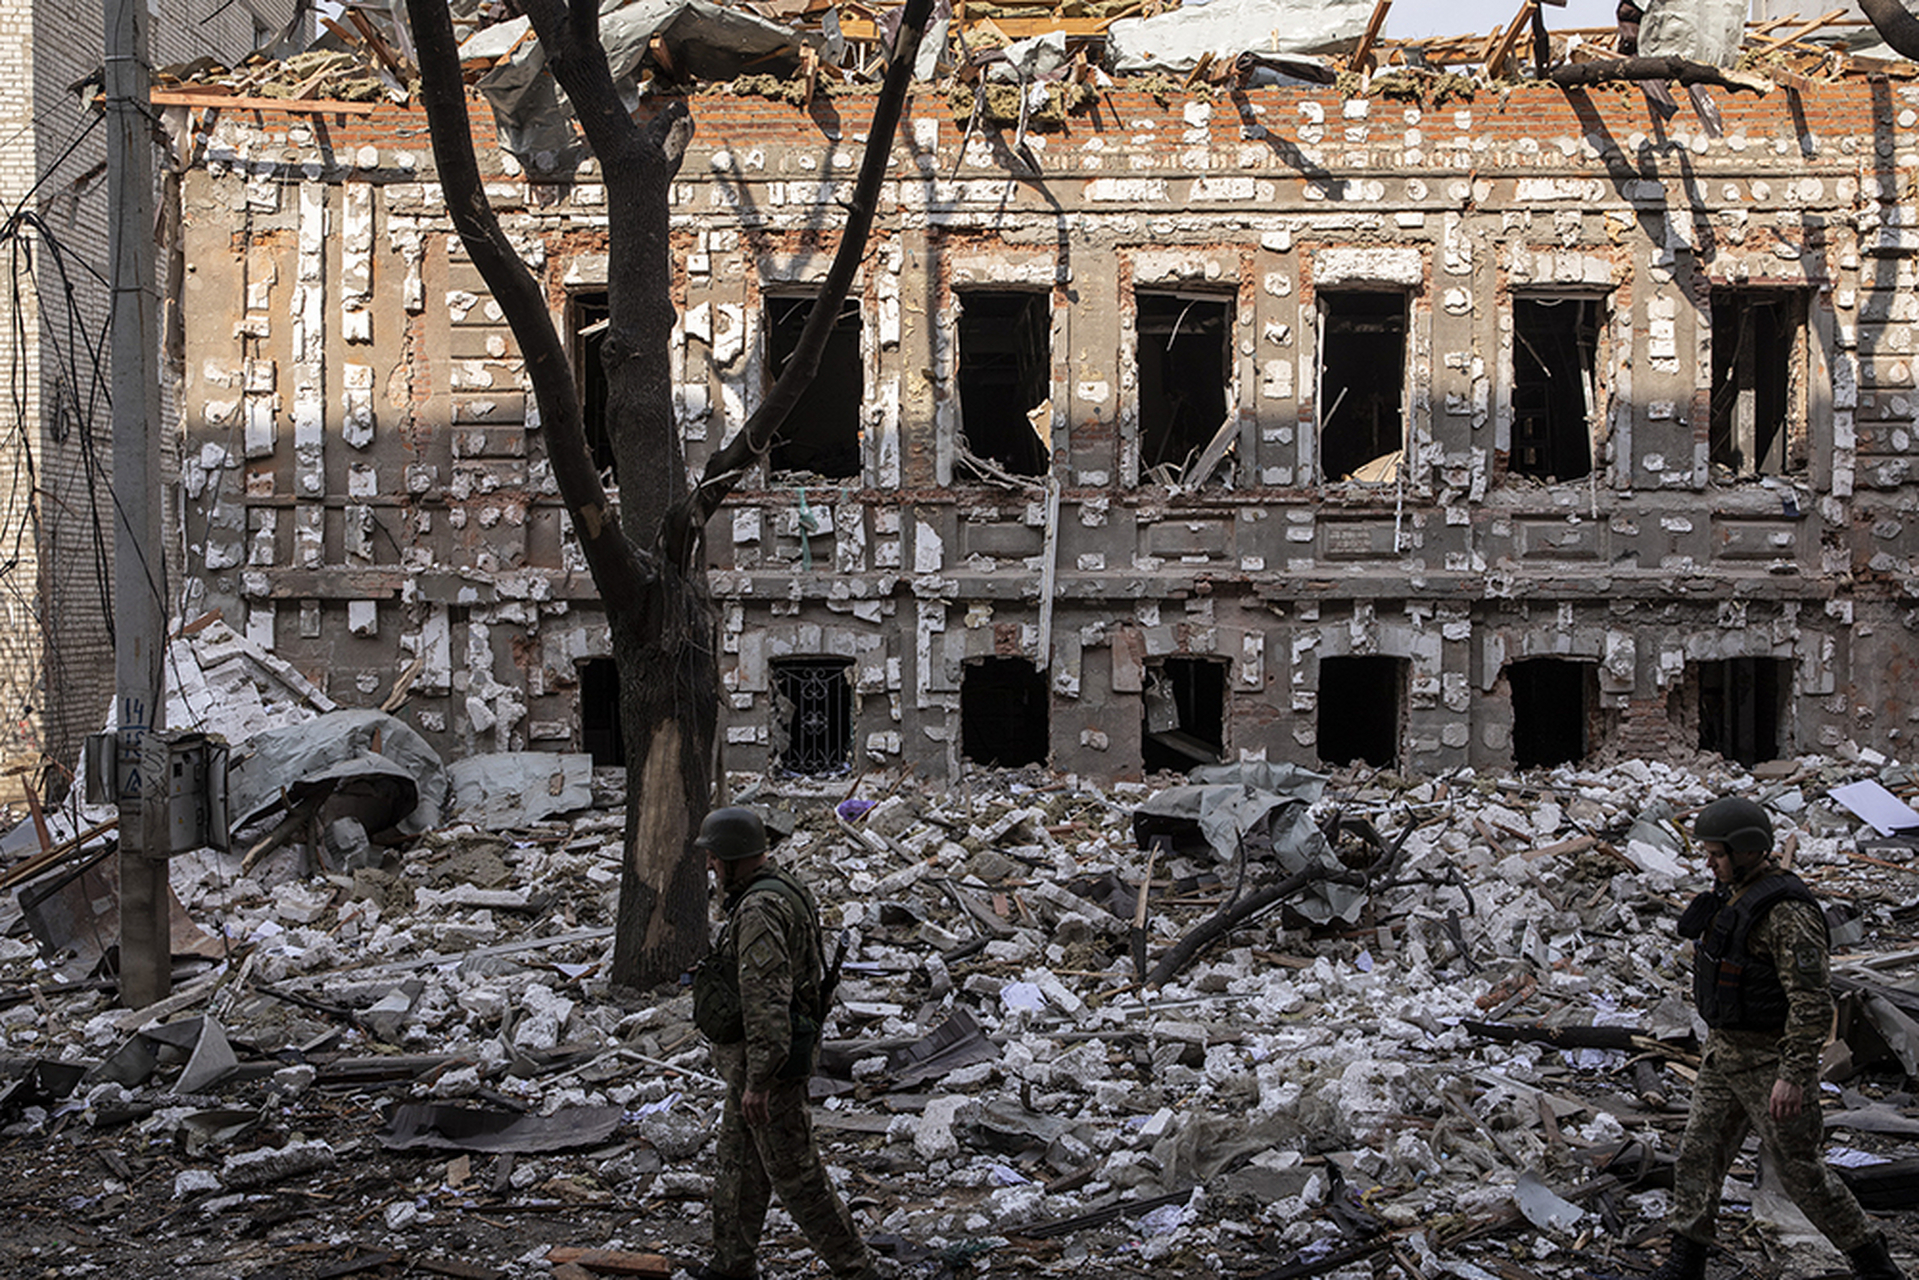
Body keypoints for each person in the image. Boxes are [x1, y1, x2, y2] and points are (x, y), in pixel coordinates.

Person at [1643, 796, 1904, 1280]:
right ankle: (1685, 1263)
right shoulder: (1732, 893)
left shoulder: (1787, 914)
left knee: (1800, 1172)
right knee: (1698, 1156)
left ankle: (1874, 1263)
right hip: (1725, 1054)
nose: (1709, 863)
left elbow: (1812, 1004)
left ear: (1747, 850)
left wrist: (1794, 1075)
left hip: (1771, 1062)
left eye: (1717, 854)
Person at [687, 806, 889, 1280]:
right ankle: (731, 1265)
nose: (710, 865)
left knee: (797, 1174)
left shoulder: (759, 910)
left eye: (714, 858)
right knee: (739, 1163)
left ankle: (857, 1269)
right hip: (760, 1062)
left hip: (768, 1066)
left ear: (733, 857)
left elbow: (765, 1003)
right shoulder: (780, 888)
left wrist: (760, 1081)